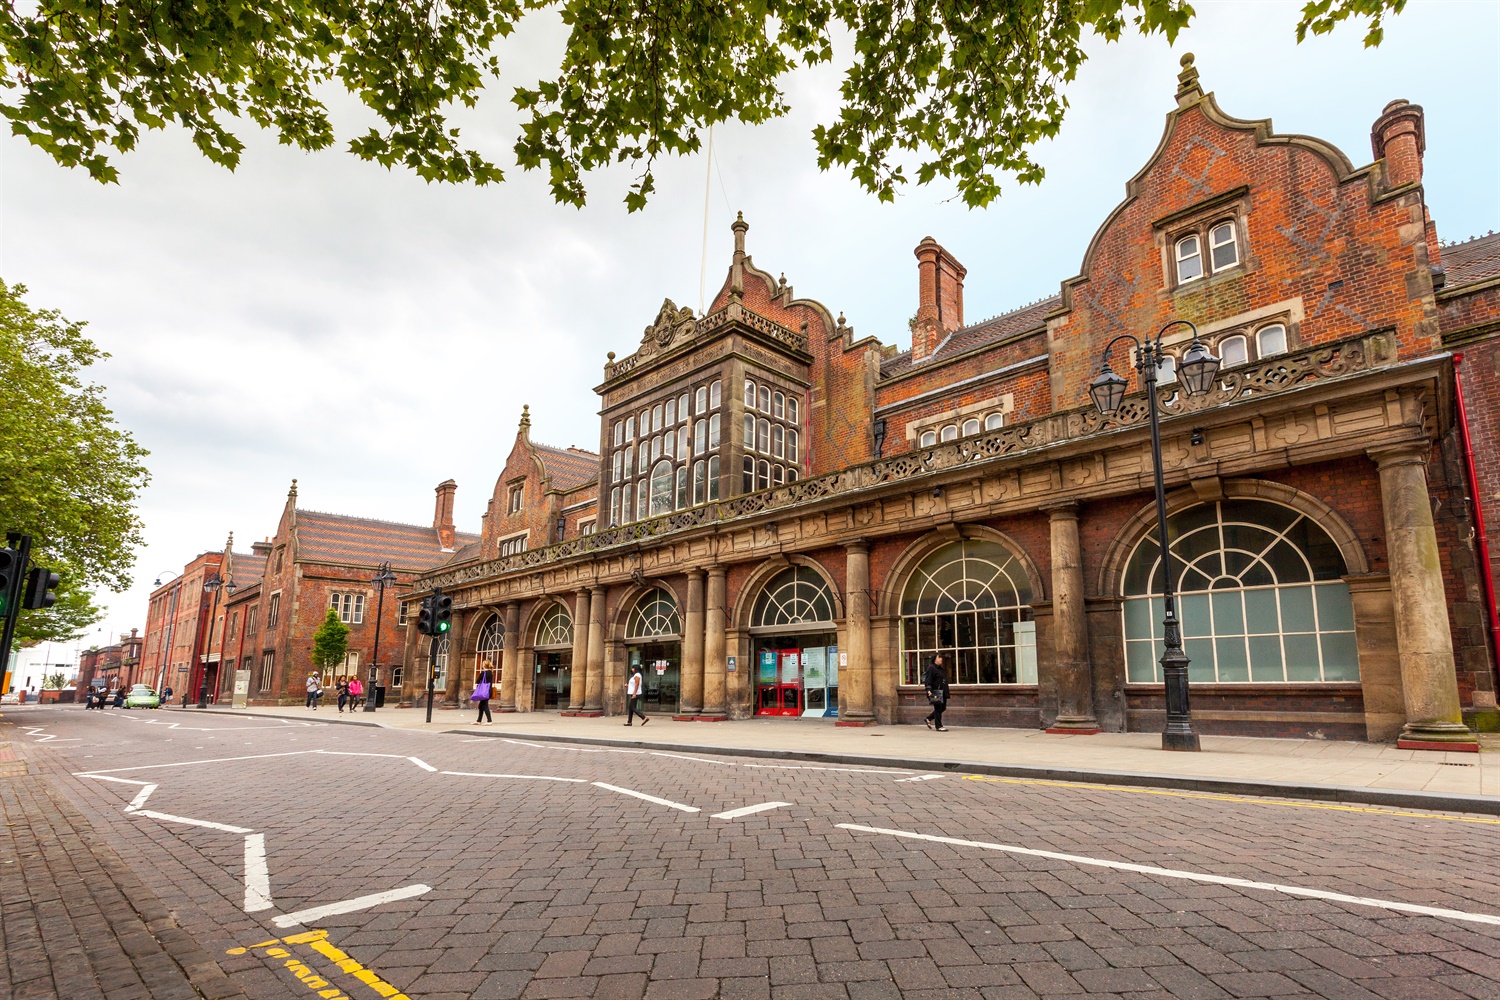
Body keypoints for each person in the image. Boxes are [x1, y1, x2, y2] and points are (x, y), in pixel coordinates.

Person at [924, 654, 950, 732]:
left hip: (943, 691)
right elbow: (928, 680)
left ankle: (928, 718)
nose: (941, 659)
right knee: (938, 708)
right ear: (935, 659)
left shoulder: (940, 669)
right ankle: (938, 726)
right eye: (939, 657)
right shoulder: (931, 668)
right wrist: (928, 689)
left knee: (943, 707)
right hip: (936, 691)